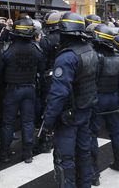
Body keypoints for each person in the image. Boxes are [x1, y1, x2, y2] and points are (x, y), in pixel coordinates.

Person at [42, 12, 99, 188]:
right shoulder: (90, 50)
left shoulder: (66, 57)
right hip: (85, 109)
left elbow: (58, 94)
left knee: (64, 158)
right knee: (83, 152)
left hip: (69, 115)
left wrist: (48, 122)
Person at [0, 18, 45, 164]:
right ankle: (27, 154)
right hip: (29, 88)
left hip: (12, 89)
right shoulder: (36, 49)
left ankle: (4, 154)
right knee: (28, 122)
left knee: (8, 122)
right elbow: (42, 68)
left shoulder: (7, 49)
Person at [90, 24, 119, 186]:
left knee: (91, 135)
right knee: (116, 132)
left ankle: (94, 174)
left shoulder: (94, 57)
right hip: (113, 99)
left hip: (97, 100)